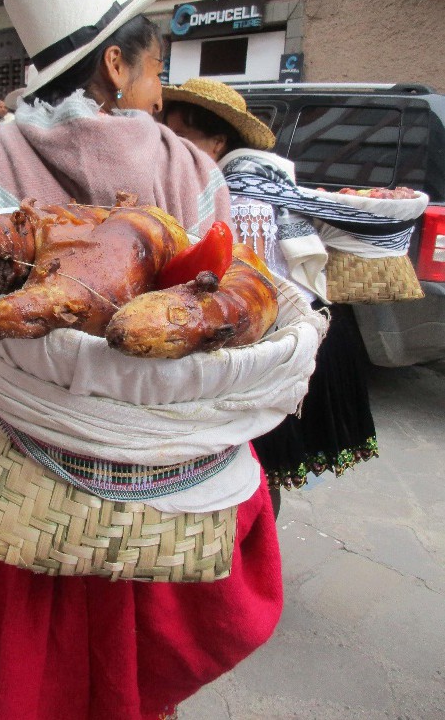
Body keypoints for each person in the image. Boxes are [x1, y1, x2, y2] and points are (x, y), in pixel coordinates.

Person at [0, 0, 284, 720]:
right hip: (161, 491)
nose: (157, 95)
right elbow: (235, 328)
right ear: (114, 66)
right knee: (130, 682)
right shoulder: (193, 175)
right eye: (153, 73)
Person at [161, 78, 378, 515]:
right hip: (293, 334)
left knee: (257, 467)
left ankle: (257, 562)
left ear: (218, 141)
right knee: (257, 467)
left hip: (283, 341)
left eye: (182, 138)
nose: (172, 150)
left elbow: (251, 295)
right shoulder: (250, 178)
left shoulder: (242, 196)